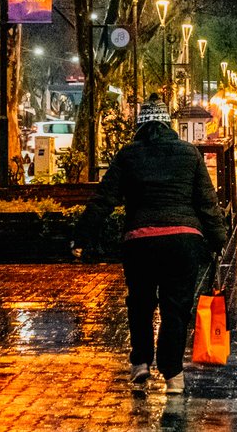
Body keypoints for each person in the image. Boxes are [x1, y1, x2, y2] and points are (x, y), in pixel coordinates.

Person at [74, 93, 229, 394]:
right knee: (176, 309)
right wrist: (219, 239)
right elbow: (207, 204)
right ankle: (173, 375)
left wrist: (82, 237)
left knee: (140, 303)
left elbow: (103, 199)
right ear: (168, 124)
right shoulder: (189, 154)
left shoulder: (128, 155)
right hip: (182, 241)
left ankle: (141, 362)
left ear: (141, 126)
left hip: (140, 242)